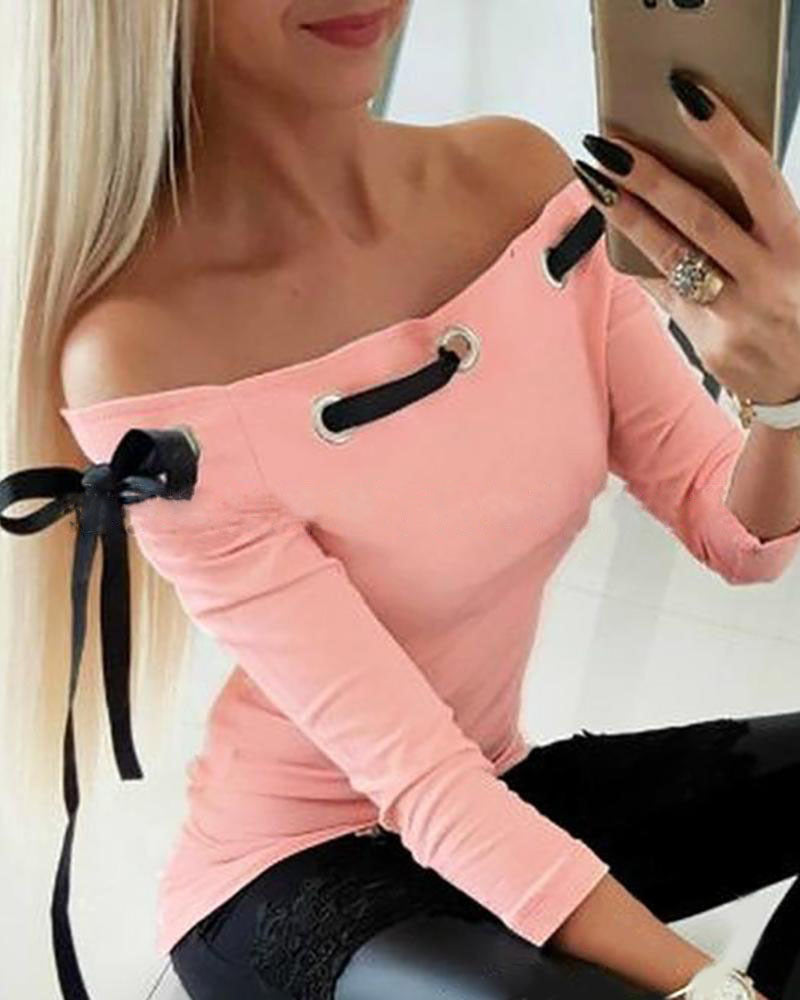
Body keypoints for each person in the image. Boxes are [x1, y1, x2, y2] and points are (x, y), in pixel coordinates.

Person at [7, 2, 800, 999]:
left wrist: (783, 393)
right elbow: (420, 776)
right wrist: (707, 987)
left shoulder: (515, 181)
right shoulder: (142, 347)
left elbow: (739, 537)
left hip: (501, 794)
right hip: (296, 875)